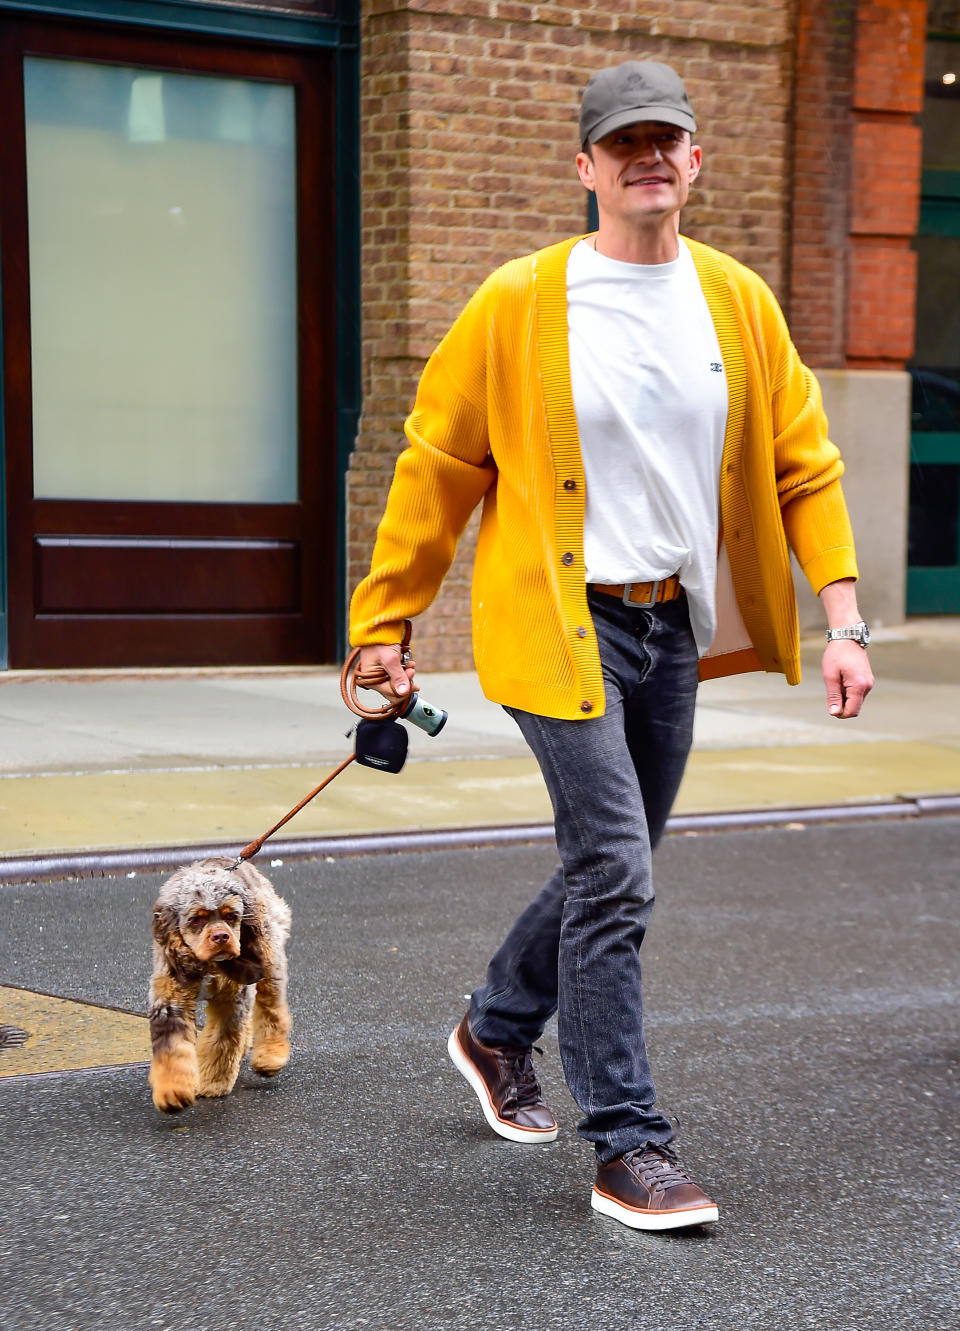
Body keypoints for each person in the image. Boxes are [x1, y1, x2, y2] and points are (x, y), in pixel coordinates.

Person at [348, 59, 874, 1232]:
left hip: (669, 624)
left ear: (694, 161)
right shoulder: (520, 301)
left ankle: (494, 1023)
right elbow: (436, 466)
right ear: (583, 166)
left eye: (666, 139)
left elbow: (805, 464)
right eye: (620, 140)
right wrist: (380, 625)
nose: (647, 156)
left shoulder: (738, 302)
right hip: (560, 618)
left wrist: (844, 620)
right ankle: (628, 1145)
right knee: (620, 872)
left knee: (615, 859)